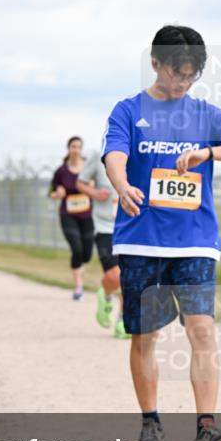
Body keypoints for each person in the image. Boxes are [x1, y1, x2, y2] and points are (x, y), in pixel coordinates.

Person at [102, 25, 221, 441]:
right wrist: (121, 185)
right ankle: (150, 422)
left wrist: (209, 153)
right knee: (145, 336)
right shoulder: (127, 110)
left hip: (195, 241)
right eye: (177, 73)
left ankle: (206, 430)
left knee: (203, 330)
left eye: (192, 75)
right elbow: (115, 154)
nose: (183, 83)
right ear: (155, 64)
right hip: (142, 240)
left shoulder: (206, 115)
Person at [77, 143, 129, 338]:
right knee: (115, 276)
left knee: (129, 276)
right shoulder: (99, 156)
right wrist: (95, 194)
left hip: (131, 226)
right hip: (105, 226)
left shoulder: (142, 154)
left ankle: (123, 320)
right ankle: (106, 294)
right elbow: (81, 183)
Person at [49, 137, 94, 300]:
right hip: (68, 215)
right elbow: (51, 192)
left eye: (79, 147)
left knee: (87, 254)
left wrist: (93, 188)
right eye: (73, 146)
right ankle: (78, 287)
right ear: (68, 148)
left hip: (87, 215)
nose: (76, 150)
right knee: (76, 248)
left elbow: (102, 186)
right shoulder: (60, 172)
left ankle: (80, 271)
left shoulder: (89, 168)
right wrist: (57, 194)